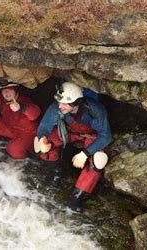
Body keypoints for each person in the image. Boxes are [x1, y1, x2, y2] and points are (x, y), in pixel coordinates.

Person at [34, 82, 111, 212]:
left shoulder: (95, 109)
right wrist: (43, 139)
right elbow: (45, 126)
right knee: (44, 144)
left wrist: (85, 153)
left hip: (91, 136)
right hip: (70, 132)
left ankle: (77, 197)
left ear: (75, 102)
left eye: (64, 103)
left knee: (99, 159)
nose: (60, 106)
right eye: (60, 102)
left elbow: (105, 136)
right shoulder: (57, 107)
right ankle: (57, 172)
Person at [0, 80, 41, 159]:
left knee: (13, 149)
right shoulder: (3, 99)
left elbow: (35, 113)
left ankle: (22, 160)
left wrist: (20, 107)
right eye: (4, 90)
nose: (6, 93)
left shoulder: (24, 100)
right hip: (10, 128)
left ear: (15, 90)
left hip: (28, 134)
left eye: (10, 90)